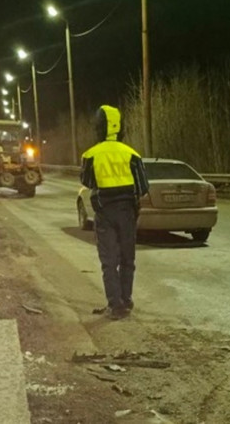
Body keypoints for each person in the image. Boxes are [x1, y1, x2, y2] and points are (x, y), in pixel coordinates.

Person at [80, 105, 149, 320]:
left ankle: (115, 305)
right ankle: (126, 300)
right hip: (127, 213)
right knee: (128, 259)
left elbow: (87, 181)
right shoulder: (132, 154)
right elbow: (143, 187)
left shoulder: (91, 155)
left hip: (104, 214)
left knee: (109, 261)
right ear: (120, 128)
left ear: (99, 127)